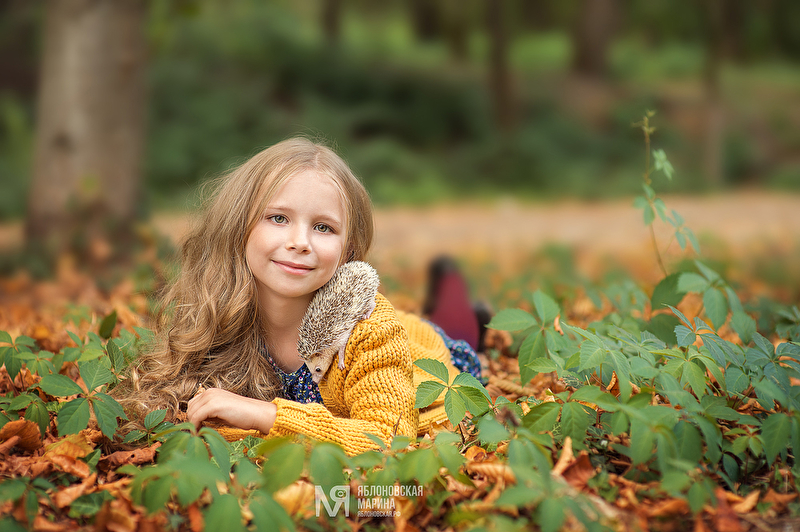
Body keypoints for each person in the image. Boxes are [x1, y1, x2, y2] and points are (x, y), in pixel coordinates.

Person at [118, 138, 482, 456]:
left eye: (323, 227)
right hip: (383, 334)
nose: (300, 242)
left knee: (451, 335)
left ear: (348, 249)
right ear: (238, 225)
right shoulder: (220, 309)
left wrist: (267, 415)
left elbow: (388, 441)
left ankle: (463, 314)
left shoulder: (372, 332)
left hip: (424, 358)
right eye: (278, 218)